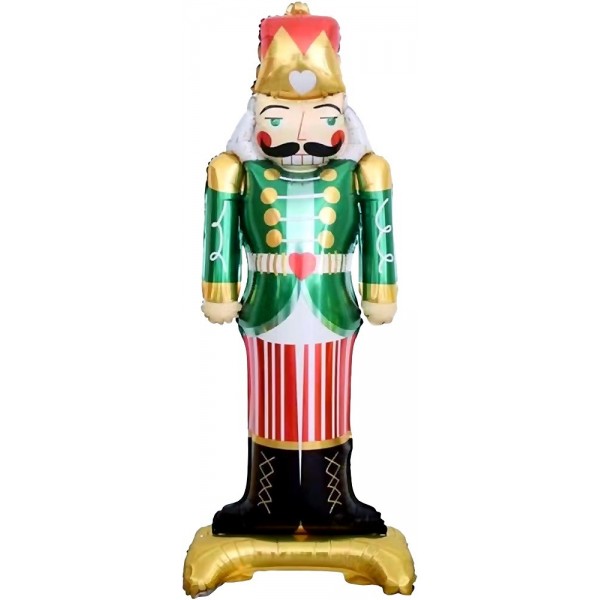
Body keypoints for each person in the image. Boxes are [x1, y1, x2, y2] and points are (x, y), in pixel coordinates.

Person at [201, 2, 397, 536]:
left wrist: (381, 290)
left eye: (323, 116)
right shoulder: (237, 171)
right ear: (258, 113)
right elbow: (221, 232)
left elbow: (379, 233)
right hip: (267, 304)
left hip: (333, 304)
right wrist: (219, 289)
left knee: (329, 400)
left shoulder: (362, 171)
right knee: (271, 400)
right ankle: (264, 501)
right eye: (281, 116)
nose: (303, 130)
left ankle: (334, 500)